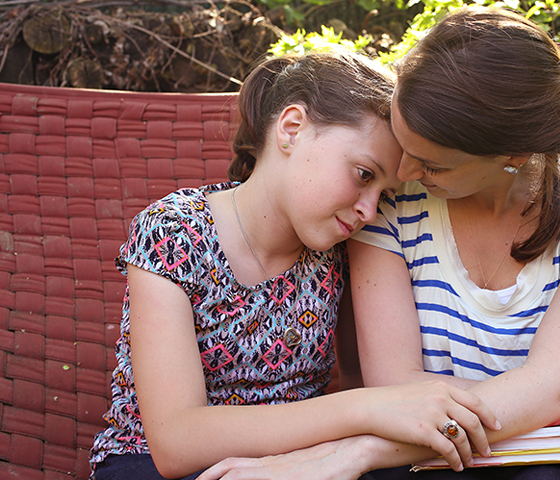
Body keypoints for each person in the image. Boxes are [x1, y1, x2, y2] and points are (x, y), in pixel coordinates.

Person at [88, 50, 503, 480]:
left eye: (384, 194)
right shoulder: (173, 232)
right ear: (292, 129)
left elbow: (360, 378)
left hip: (302, 463)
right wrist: (365, 410)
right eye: (364, 175)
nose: (369, 210)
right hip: (151, 465)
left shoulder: (344, 248)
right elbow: (176, 442)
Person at [346, 6, 560, 479]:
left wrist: (558, 395)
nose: (403, 175)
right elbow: (395, 388)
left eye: (432, 165)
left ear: (514, 156)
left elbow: (552, 388)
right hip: (436, 447)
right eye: (404, 149)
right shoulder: (390, 199)